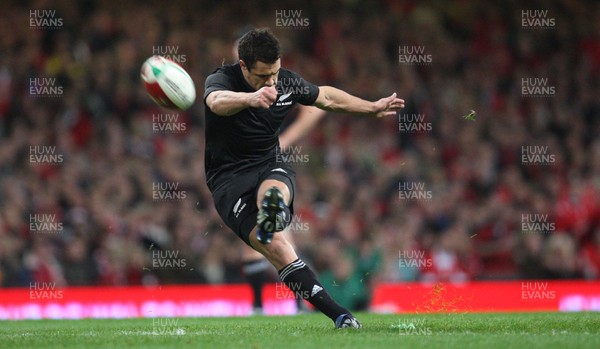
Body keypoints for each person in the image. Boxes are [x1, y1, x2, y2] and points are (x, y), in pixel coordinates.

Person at [203, 27, 404, 328]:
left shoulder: (286, 82)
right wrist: (252, 98)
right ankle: (273, 216)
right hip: (228, 179)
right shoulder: (222, 80)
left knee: (273, 187)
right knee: (278, 249)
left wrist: (370, 107)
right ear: (243, 66)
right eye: (262, 76)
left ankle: (342, 317)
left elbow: (326, 97)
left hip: (267, 162)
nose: (270, 81)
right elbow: (216, 102)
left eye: (274, 72)